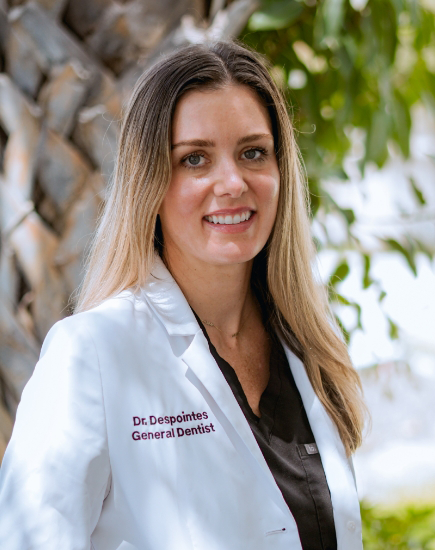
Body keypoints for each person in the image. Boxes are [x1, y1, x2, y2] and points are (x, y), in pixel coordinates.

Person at [0, 41, 366, 549]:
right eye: (195, 159)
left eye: (253, 152)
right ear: (150, 183)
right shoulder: (92, 354)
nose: (232, 182)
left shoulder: (309, 353)